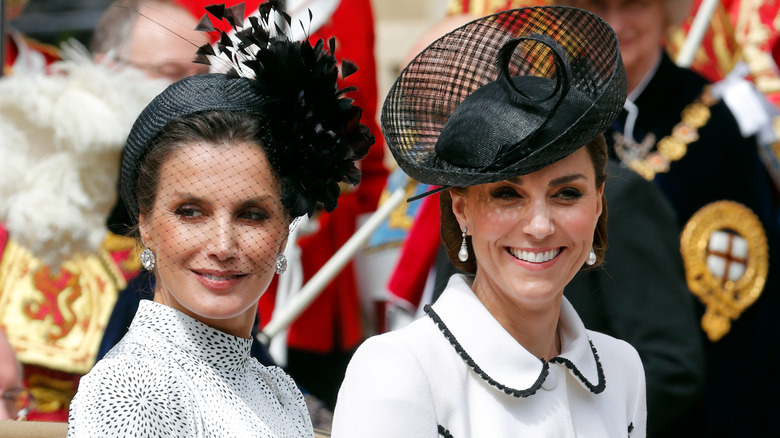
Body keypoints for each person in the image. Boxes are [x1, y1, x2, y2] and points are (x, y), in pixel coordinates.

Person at [332, 6, 646, 437]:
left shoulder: (622, 370)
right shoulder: (399, 371)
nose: (539, 225)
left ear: (598, 205)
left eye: (567, 194)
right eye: (506, 195)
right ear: (462, 210)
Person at [66, 2, 373, 436]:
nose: (223, 245)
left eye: (252, 214)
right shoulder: (134, 390)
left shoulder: (276, 388)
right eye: (190, 212)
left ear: (286, 230)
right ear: (145, 222)